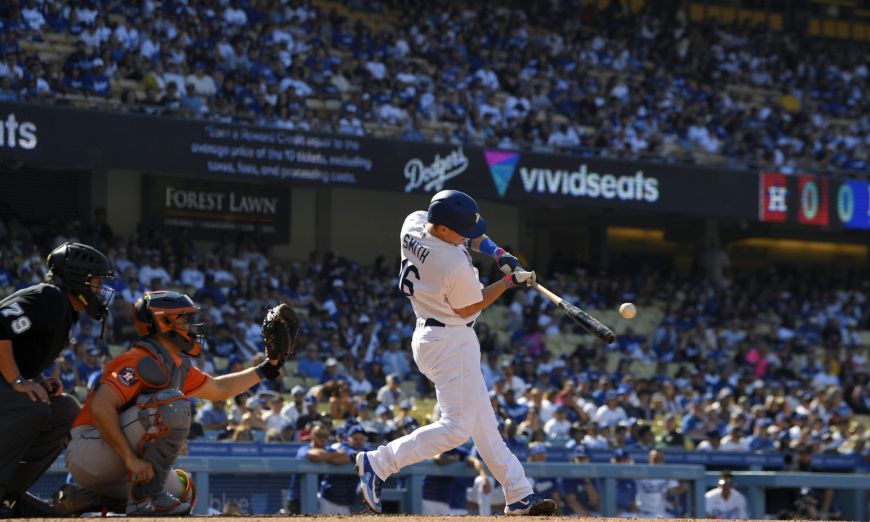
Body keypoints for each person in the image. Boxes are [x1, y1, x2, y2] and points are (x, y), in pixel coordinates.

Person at [354, 190, 554, 516]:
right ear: (444, 229)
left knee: (485, 427)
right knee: (457, 429)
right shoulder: (451, 264)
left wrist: (498, 252)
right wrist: (507, 282)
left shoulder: (414, 224)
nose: (468, 236)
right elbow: (470, 308)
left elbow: (470, 237)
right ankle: (378, 462)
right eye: (462, 231)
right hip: (451, 339)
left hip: (430, 331)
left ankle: (519, 494)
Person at [55, 290, 284, 516]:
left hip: (113, 463)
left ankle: (83, 498)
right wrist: (130, 459)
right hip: (89, 449)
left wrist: (267, 367)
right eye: (185, 319)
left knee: (185, 493)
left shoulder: (175, 364)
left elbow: (219, 389)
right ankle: (144, 499)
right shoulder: (137, 359)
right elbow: (99, 407)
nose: (191, 326)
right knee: (173, 404)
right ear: (163, 322)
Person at [0, 242, 113, 517]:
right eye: (96, 283)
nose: (100, 290)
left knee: (66, 412)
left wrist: (37, 378)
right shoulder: (49, 297)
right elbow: (0, 326)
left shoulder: (64, 307)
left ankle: (8, 497)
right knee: (34, 407)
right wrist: (18, 382)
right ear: (78, 279)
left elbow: (21, 346)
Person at [635, 449, 686, 518]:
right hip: (643, 514)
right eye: (655, 459)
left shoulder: (667, 475)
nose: (658, 461)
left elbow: (674, 492)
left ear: (663, 461)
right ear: (649, 460)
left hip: (661, 514)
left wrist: (681, 488)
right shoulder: (640, 475)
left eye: (660, 459)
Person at [557, 445, 601, 516]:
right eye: (580, 458)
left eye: (585, 458)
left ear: (589, 459)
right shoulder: (567, 477)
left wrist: (588, 481)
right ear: (574, 459)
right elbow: (572, 503)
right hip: (571, 515)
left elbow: (595, 501)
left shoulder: (593, 477)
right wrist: (589, 518)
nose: (582, 461)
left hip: (589, 512)